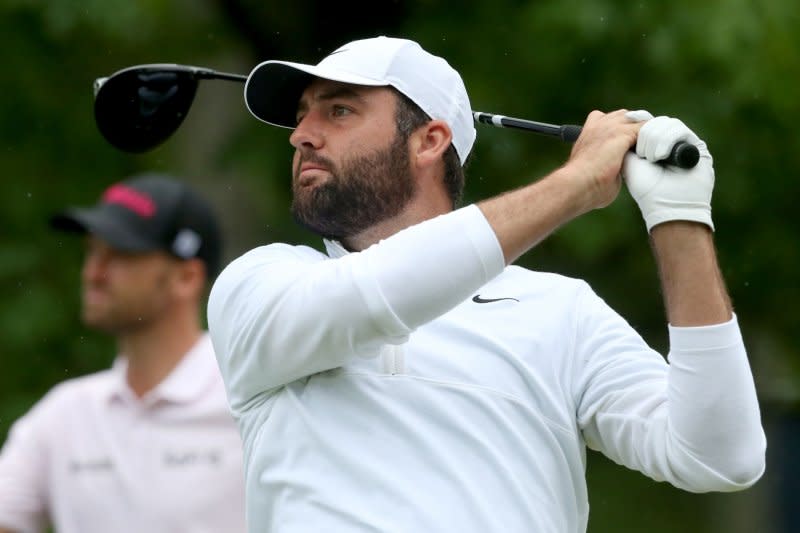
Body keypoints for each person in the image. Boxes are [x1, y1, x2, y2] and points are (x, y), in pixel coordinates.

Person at [208, 36, 766, 533]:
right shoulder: (260, 284)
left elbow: (720, 456)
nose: (302, 136)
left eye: (339, 110)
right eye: (304, 116)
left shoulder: (559, 310)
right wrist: (576, 184)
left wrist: (680, 217)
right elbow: (377, 293)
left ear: (429, 141)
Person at [0, 174, 247, 533]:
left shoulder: (249, 396)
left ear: (186, 278)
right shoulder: (65, 413)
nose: (93, 273)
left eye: (120, 253)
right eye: (93, 252)